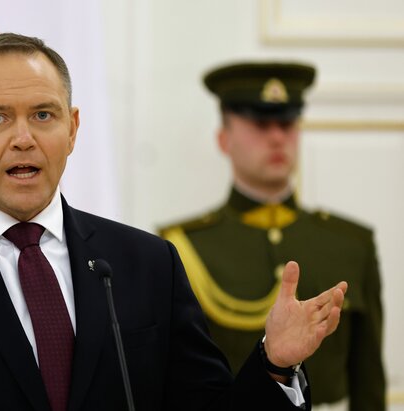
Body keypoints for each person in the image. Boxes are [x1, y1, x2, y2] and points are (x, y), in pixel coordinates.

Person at [0, 34, 347, 411]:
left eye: (44, 115)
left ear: (73, 129)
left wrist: (274, 365)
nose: (23, 137)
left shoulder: (146, 264)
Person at [159, 61, 385, 411]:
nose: (277, 137)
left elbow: (368, 382)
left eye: (287, 124)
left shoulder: (351, 244)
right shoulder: (182, 248)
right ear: (224, 139)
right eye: (260, 125)